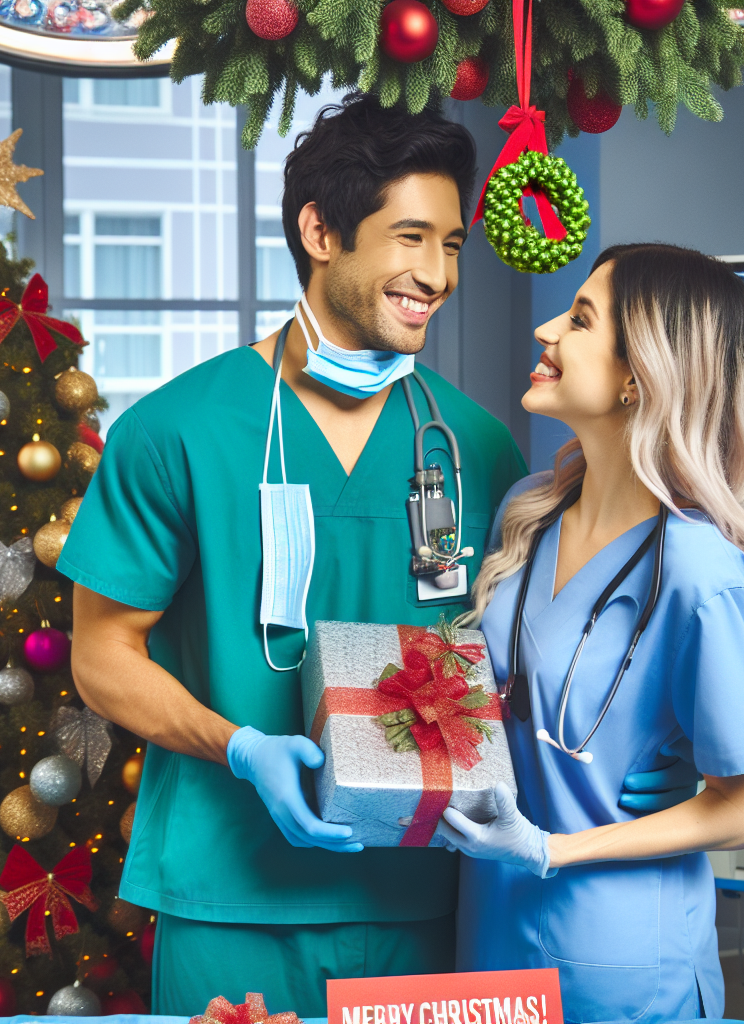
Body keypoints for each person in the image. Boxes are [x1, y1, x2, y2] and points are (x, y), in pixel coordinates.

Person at [59, 95, 527, 1016]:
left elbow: (515, 655)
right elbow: (101, 655)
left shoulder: (476, 446)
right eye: (409, 238)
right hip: (231, 896)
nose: (436, 275)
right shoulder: (177, 431)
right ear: (320, 232)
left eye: (452, 245)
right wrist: (239, 748)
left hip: (428, 894)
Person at [438, 244, 744, 1022]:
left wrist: (551, 849)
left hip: (619, 959)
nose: (546, 330)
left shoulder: (699, 571)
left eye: (580, 319)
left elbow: (740, 812)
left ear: (639, 377)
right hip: (492, 927)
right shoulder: (528, 511)